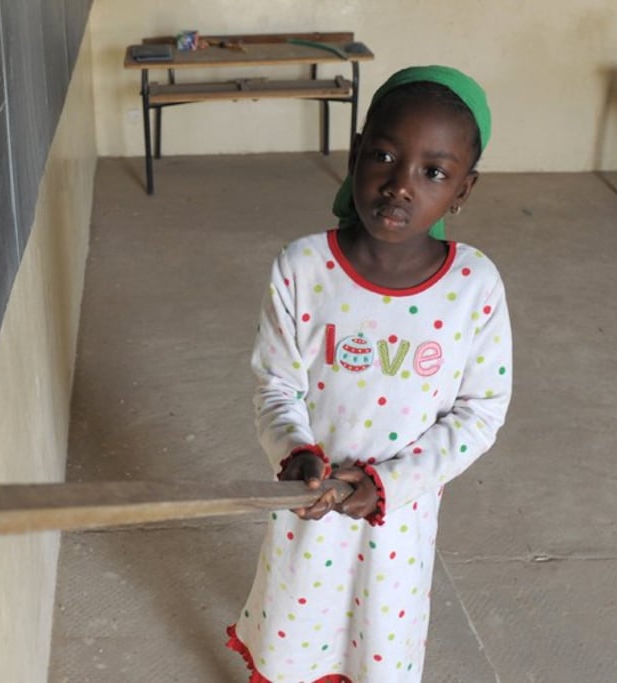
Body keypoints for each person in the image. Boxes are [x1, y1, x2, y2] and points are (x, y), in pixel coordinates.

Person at [226, 66, 513, 683]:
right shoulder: (303, 268)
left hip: (400, 521)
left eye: (434, 172)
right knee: (295, 627)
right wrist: (295, 452)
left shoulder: (473, 287)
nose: (401, 186)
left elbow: (481, 411)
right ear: (355, 154)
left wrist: (389, 485)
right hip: (310, 507)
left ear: (463, 190)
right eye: (383, 155)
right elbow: (277, 385)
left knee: (380, 635)